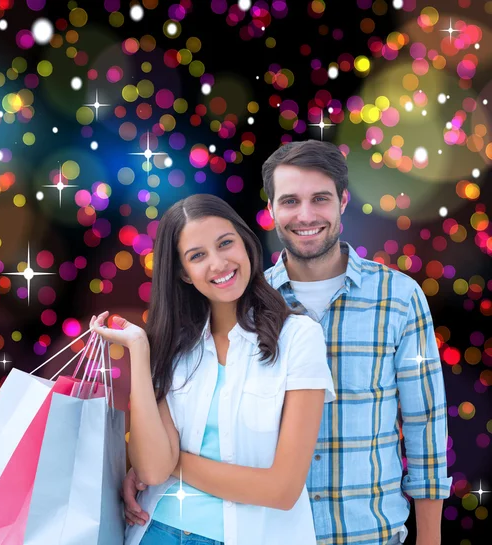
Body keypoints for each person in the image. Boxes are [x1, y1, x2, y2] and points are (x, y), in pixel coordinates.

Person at [122, 140, 452, 545]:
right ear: (272, 210)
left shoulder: (399, 298)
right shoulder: (238, 302)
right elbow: (205, 423)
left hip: (365, 530)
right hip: (271, 531)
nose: (306, 215)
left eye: (320, 199)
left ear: (343, 201)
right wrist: (143, 469)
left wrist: (431, 539)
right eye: (291, 201)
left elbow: (425, 423)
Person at [90, 193, 335, 545]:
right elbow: (151, 469)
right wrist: (141, 352)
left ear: (246, 243)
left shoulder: (299, 338)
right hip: (156, 532)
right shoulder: (173, 346)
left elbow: (281, 490)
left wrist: (176, 463)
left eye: (225, 244)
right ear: (184, 274)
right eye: (197, 256)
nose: (219, 263)